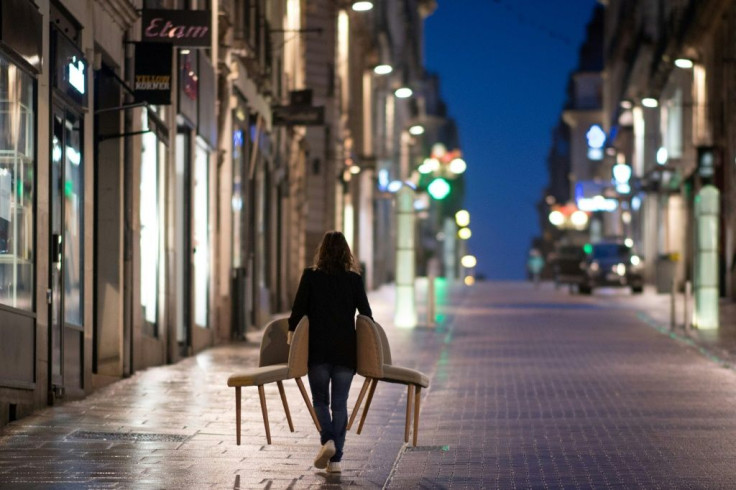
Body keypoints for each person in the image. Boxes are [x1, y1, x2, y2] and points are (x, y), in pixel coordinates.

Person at [288, 230, 373, 474]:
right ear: (347, 252)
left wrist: (291, 334)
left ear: (321, 251)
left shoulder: (310, 276)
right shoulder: (354, 280)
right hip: (345, 351)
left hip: (318, 350)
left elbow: (297, 311)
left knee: (320, 401)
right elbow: (366, 315)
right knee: (339, 404)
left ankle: (328, 441)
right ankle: (336, 461)